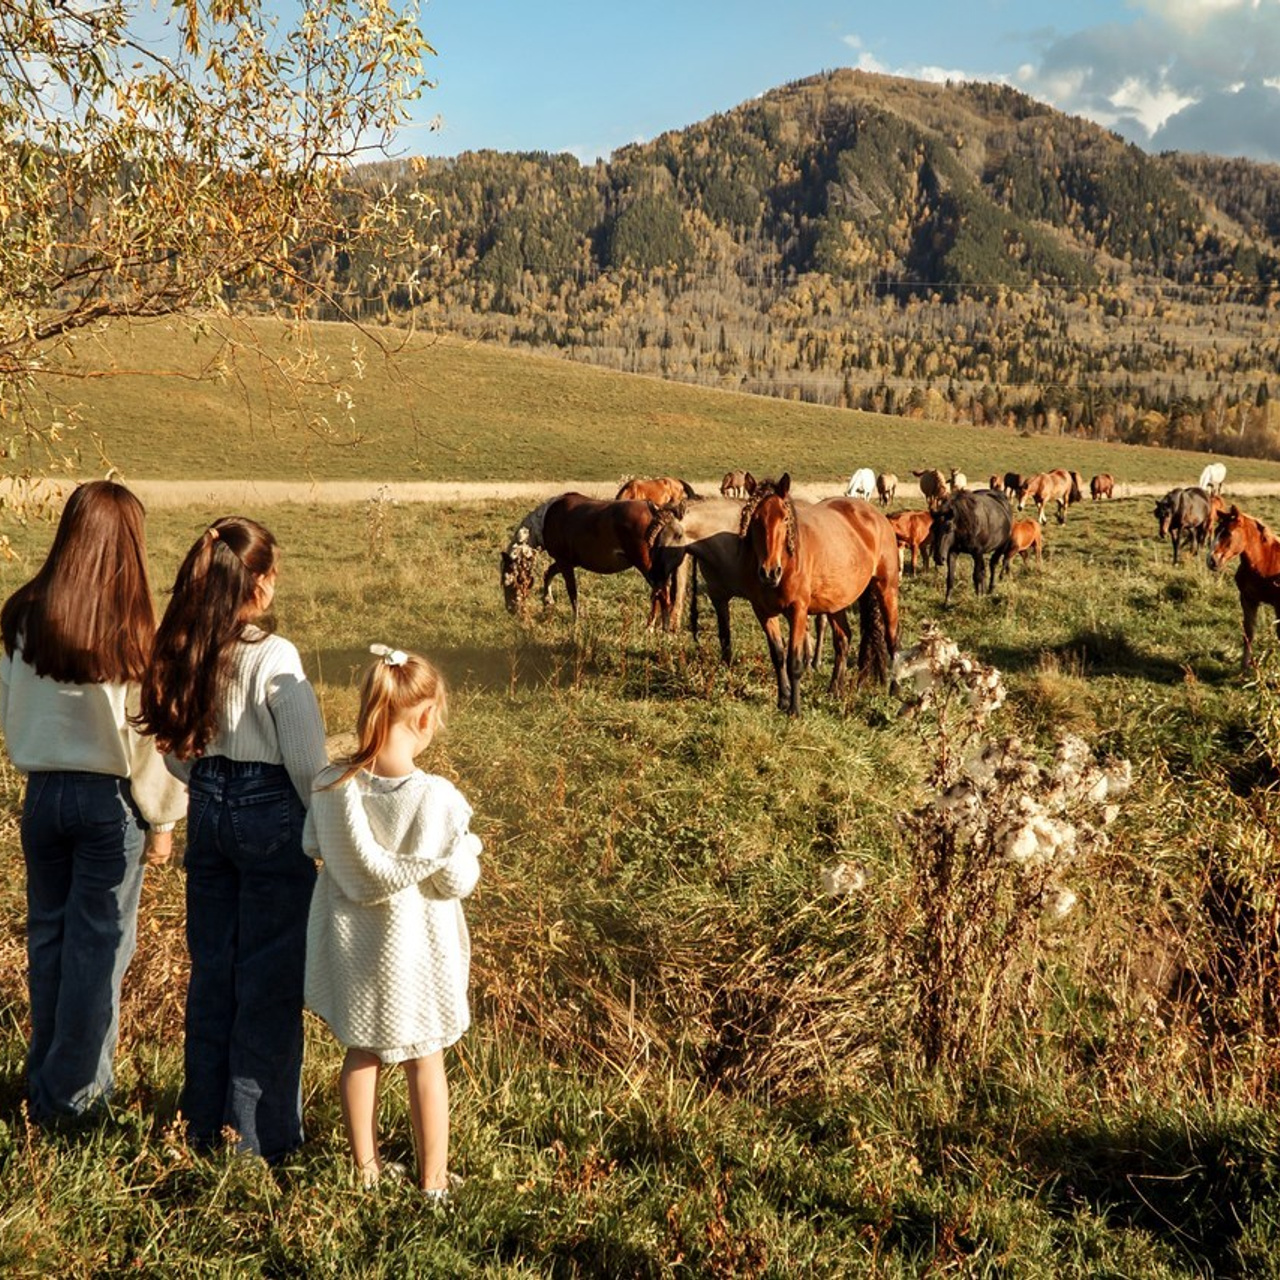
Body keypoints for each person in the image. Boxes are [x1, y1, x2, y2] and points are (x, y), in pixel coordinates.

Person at [137, 516, 327, 1163]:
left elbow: (172, 750)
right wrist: (323, 831)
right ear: (260, 583)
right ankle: (256, 1140)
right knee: (269, 980)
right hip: (273, 814)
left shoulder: (186, 645)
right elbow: (306, 763)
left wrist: (213, 782)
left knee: (213, 973)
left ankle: (200, 1123)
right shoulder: (274, 657)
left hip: (209, 810)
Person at [0, 480, 186, 1125]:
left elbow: (12, 704)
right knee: (99, 952)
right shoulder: (136, 628)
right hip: (111, 803)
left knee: (49, 941)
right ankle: (75, 1100)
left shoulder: (23, 614)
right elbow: (150, 737)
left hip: (42, 794)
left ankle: (44, 1080)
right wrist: (163, 820)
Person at [304, 644, 480, 1197]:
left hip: (356, 950)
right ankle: (433, 1183)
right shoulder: (437, 799)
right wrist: (467, 848)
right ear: (426, 718)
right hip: (417, 958)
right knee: (425, 1061)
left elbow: (315, 844)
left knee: (362, 1054)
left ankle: (366, 1172)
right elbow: (455, 881)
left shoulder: (332, 787)